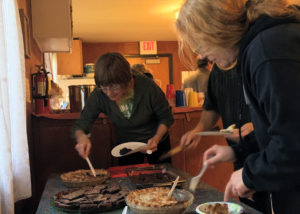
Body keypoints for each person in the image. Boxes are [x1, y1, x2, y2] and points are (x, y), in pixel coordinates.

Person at [176, 0, 300, 213]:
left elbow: (293, 141)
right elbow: (277, 125)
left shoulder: (268, 50)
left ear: (216, 31)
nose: (202, 56)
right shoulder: (261, 45)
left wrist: (248, 175)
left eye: (200, 46)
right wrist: (236, 151)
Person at [180, 62, 271, 213]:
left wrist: (257, 127)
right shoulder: (217, 71)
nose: (202, 57)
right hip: (241, 151)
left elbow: (281, 117)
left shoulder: (257, 61)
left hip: (269, 151)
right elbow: (212, 107)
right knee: (250, 205)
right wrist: (198, 130)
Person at [72, 52, 174, 165]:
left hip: (156, 142)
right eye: (104, 88)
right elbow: (82, 124)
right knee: (128, 180)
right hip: (127, 145)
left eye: (115, 87)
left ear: (129, 81)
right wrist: (82, 137)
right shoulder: (99, 94)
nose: (109, 93)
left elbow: (166, 117)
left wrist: (157, 138)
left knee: (163, 178)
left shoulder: (148, 87)